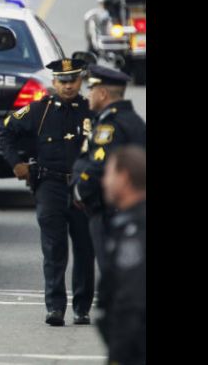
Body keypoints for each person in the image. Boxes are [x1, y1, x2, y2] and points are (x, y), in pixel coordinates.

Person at [0, 58, 95, 327]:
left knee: (85, 250)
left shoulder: (91, 112)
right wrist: (16, 163)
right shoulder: (37, 110)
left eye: (73, 80)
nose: (67, 86)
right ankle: (54, 308)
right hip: (49, 186)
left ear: (81, 81)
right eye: (62, 81)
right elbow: (5, 131)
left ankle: (82, 308)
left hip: (83, 189)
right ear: (53, 82)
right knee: (54, 249)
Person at [71, 64, 146, 273]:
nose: (88, 94)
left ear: (102, 93)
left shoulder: (110, 126)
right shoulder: (132, 120)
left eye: (91, 89)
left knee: (112, 268)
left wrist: (80, 190)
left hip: (107, 209)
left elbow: (100, 165)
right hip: (125, 208)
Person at [98, 145, 146, 365]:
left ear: (124, 178)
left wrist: (119, 355)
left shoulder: (134, 230)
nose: (104, 181)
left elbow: (130, 299)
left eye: (109, 173)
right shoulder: (126, 223)